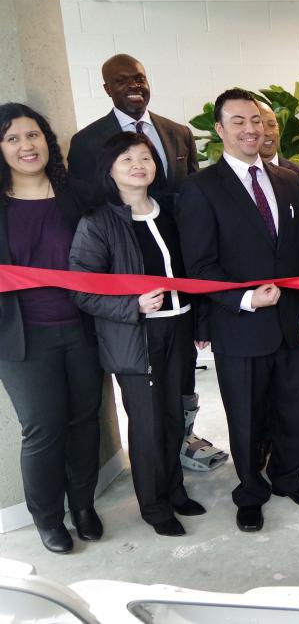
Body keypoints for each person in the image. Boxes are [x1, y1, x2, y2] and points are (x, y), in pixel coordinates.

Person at [67, 52, 226, 474]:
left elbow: (194, 198)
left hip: (178, 276)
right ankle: (156, 479)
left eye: (139, 77)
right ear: (106, 89)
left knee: (182, 388)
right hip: (131, 286)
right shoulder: (86, 142)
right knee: (147, 408)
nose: (133, 85)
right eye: (121, 81)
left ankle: (182, 446)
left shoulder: (177, 133)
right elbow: (87, 212)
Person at [177, 88, 299, 532]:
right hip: (239, 324)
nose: (250, 129)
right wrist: (244, 298)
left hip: (290, 320)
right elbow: (200, 266)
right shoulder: (201, 188)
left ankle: (289, 477)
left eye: (256, 121)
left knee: (292, 407)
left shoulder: (288, 180)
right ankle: (250, 490)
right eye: (238, 121)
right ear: (220, 130)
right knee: (244, 415)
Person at [69, 132, 206, 537]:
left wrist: (197, 322)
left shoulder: (172, 210)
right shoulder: (98, 222)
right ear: (109, 170)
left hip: (179, 325)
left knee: (175, 416)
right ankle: (155, 507)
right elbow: (81, 290)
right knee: (147, 425)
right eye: (126, 159)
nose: (138, 165)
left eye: (144, 156)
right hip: (137, 334)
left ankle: (175, 490)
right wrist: (132, 307)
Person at [0, 103, 104, 553]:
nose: (27, 145)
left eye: (33, 135)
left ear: (48, 140)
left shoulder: (79, 195)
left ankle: (82, 506)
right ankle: (46, 518)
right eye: (12, 139)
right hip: (23, 338)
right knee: (42, 427)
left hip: (82, 328)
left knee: (85, 421)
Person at [255, 101, 299, 465]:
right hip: (252, 304)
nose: (265, 131)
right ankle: (262, 441)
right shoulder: (226, 181)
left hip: (294, 303)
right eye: (256, 123)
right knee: (259, 386)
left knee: (295, 384)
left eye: (270, 123)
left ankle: (293, 443)